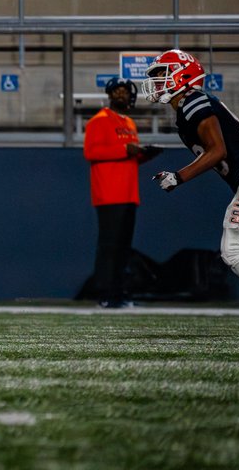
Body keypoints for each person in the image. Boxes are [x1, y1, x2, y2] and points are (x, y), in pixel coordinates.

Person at [144, 49, 239, 282]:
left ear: (183, 75)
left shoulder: (192, 100)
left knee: (233, 249)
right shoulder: (187, 108)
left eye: (162, 74)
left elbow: (218, 150)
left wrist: (179, 176)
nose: (157, 82)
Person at [82, 77, 163, 308]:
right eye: (116, 91)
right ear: (109, 95)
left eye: (125, 91)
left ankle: (120, 292)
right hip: (109, 193)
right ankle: (106, 294)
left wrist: (144, 154)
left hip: (129, 193)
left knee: (123, 248)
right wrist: (125, 148)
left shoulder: (129, 123)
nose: (121, 95)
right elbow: (91, 152)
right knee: (109, 246)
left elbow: (128, 158)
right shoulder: (99, 121)